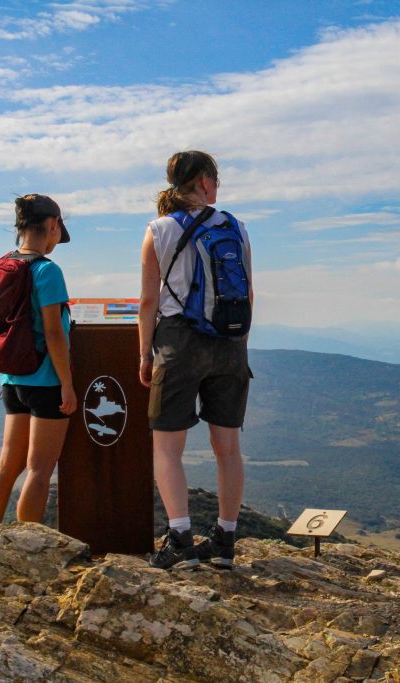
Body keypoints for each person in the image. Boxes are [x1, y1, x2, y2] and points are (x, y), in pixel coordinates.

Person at [139, 150, 253, 569]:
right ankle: (224, 540)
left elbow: (149, 300)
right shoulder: (236, 227)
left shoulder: (159, 230)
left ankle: (182, 539)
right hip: (230, 343)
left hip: (178, 343)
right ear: (205, 182)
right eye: (216, 178)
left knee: (167, 446)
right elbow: (249, 292)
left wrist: (144, 354)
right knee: (228, 447)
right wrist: (235, 342)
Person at [0, 195, 75, 529]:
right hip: (45, 381)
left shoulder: (2, 266)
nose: (56, 240)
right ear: (52, 225)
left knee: (7, 467)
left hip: (11, 379)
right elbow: (53, 332)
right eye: (57, 231)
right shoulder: (47, 271)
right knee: (39, 470)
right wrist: (67, 383)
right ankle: (28, 547)